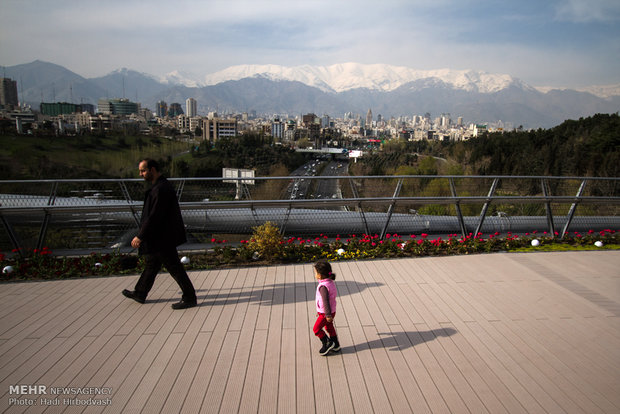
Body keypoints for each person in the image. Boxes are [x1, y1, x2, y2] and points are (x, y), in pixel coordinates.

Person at [122, 158, 197, 310]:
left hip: (163, 237)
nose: (141, 174)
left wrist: (140, 236)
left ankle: (189, 296)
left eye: (143, 170)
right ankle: (140, 292)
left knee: (174, 267)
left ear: (153, 170)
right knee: (152, 263)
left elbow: (154, 216)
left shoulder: (161, 189)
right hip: (161, 237)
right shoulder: (160, 187)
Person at [313, 259, 340, 355]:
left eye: (315, 273)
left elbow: (325, 301)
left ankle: (328, 343)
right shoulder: (330, 282)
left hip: (326, 313)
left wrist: (327, 315)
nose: (315, 275)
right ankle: (336, 344)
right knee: (329, 326)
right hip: (331, 311)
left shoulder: (323, 287)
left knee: (316, 329)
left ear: (320, 275)